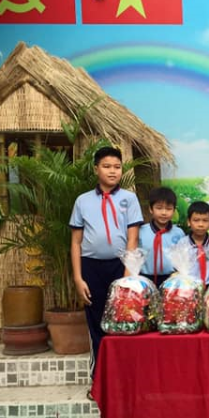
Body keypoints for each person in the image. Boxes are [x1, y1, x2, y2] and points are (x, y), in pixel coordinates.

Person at [70, 146, 144, 395]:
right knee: (97, 326)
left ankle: (124, 382)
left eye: (117, 167)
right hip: (91, 268)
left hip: (121, 268)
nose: (113, 171)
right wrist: (78, 278)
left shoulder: (129, 199)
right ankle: (99, 383)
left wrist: (127, 276)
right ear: (96, 169)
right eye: (107, 166)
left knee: (124, 324)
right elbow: (76, 242)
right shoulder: (82, 201)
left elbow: (133, 238)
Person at [139, 187, 186, 287]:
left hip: (172, 279)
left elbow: (183, 258)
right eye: (159, 208)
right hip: (145, 279)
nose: (164, 213)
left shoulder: (179, 233)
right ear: (151, 209)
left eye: (168, 209)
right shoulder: (141, 231)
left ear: (174, 210)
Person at [185, 201, 209, 287]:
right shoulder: (183, 244)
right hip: (190, 285)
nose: (200, 224)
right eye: (196, 220)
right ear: (188, 222)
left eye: (205, 220)